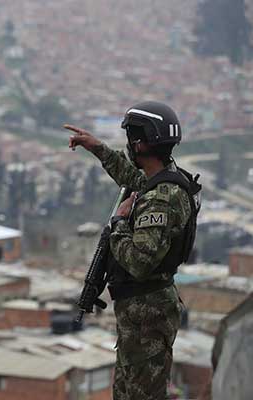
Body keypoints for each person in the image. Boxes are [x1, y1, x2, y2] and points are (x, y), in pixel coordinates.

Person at [65, 101, 201, 399]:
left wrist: (119, 224)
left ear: (141, 143)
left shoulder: (161, 200)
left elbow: (139, 262)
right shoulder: (162, 182)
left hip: (148, 316)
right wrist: (96, 147)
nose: (129, 144)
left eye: (131, 138)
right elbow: (131, 177)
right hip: (140, 314)